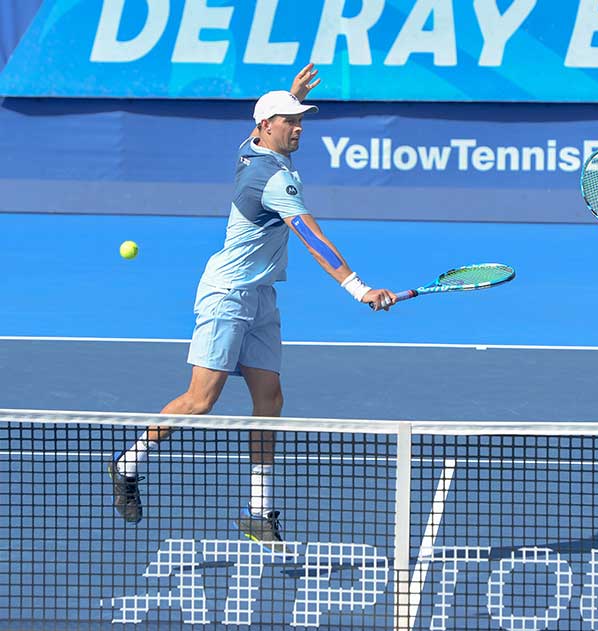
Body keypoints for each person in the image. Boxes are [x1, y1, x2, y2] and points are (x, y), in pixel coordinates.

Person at [107, 64, 397, 545]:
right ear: (267, 126)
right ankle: (127, 464)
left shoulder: (251, 150)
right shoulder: (273, 179)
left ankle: (259, 511)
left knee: (270, 398)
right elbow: (311, 237)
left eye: (301, 119)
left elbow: (261, 131)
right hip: (227, 296)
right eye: (289, 120)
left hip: (261, 295)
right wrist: (358, 288)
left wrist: (290, 94)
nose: (299, 126)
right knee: (202, 400)